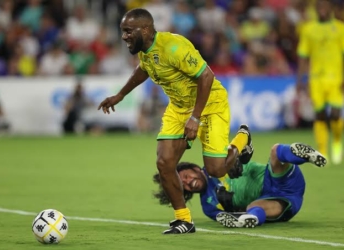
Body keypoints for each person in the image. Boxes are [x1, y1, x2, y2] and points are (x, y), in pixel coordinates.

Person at [97, 8, 250, 234]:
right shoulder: (146, 50)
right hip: (179, 108)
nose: (124, 36)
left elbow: (206, 76)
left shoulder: (174, 47)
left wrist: (195, 118)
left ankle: (242, 140)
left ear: (146, 29)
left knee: (216, 170)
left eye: (128, 31)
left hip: (210, 104)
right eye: (123, 31)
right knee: (164, 163)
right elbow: (144, 69)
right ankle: (184, 220)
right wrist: (120, 95)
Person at [153, 129, 327, 228]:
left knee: (275, 152)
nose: (187, 182)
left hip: (276, 177)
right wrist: (232, 213)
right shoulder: (208, 205)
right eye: (183, 186)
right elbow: (225, 218)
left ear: (195, 168)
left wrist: (238, 158)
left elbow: (244, 133)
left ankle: (306, 155)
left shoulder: (217, 162)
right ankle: (252, 218)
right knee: (253, 208)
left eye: (185, 176)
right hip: (279, 203)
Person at [297, 0, 344, 164]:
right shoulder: (309, 29)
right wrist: (300, 80)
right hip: (316, 78)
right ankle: (323, 151)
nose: (322, 10)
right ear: (316, 10)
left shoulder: (340, 28)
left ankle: (337, 140)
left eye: (325, 7)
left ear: (331, 9)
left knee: (336, 115)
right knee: (320, 115)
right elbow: (303, 56)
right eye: (319, 7)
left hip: (336, 78)